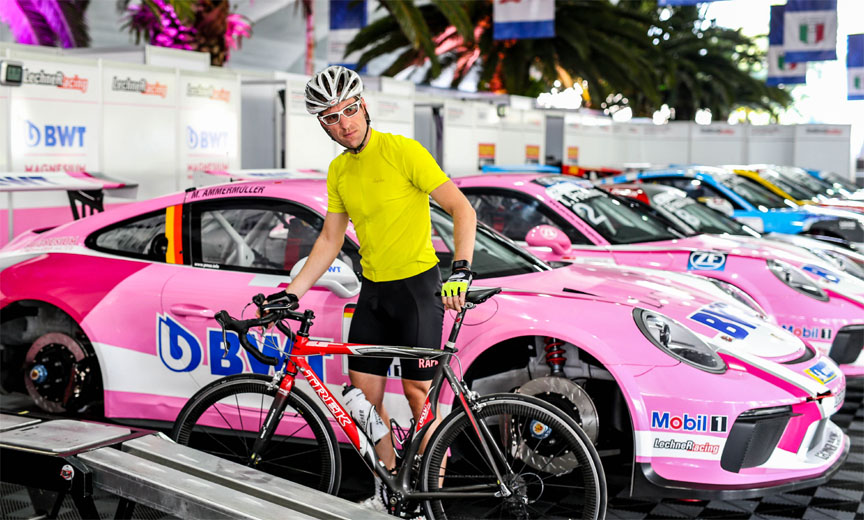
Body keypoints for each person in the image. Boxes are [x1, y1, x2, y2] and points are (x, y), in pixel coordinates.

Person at [265, 65, 476, 515]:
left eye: (350, 110)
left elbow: (461, 209)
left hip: (418, 289)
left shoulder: (403, 151)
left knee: (420, 395)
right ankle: (392, 488)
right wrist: (294, 291)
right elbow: (330, 239)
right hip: (374, 294)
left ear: (364, 104)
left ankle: (429, 498)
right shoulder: (339, 170)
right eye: (332, 118)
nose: (345, 123)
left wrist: (460, 269)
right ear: (323, 125)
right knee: (362, 399)